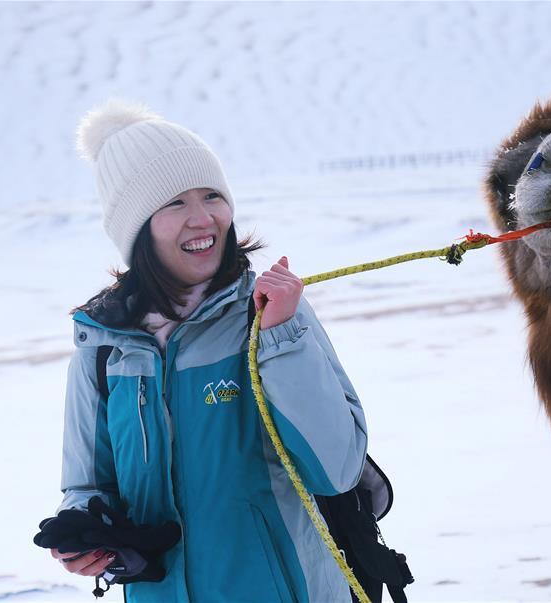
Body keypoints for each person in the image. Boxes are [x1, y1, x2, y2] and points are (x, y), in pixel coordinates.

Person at [48, 99, 368, 602]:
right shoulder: (103, 344)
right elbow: (88, 484)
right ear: (135, 227)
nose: (203, 219)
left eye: (212, 195)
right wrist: (84, 535)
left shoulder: (267, 313)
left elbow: (337, 469)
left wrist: (280, 339)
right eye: (174, 203)